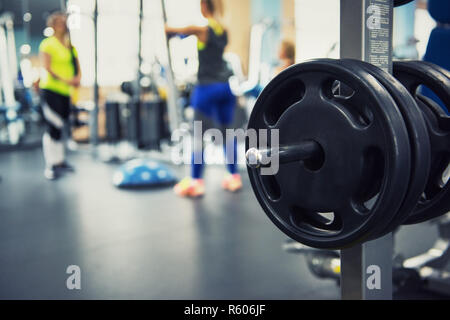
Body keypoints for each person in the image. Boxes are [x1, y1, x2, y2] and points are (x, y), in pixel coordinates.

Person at [166, 0, 242, 198]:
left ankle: (196, 181)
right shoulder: (224, 30)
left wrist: (168, 30)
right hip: (226, 87)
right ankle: (234, 176)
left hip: (207, 88)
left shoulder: (202, 29)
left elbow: (175, 30)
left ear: (203, 6)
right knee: (228, 135)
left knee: (198, 136)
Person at [39, 12, 81, 180]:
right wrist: (67, 80)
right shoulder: (47, 44)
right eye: (58, 22)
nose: (62, 25)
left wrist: (78, 79)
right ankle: (50, 164)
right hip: (51, 90)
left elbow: (77, 66)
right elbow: (47, 67)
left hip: (66, 92)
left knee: (62, 125)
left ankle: (60, 161)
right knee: (53, 126)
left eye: (64, 22)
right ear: (52, 25)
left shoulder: (70, 46)